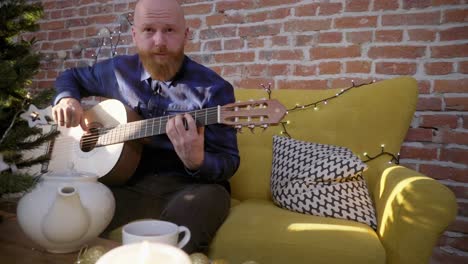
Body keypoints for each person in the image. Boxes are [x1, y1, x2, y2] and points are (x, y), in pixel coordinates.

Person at [52, 0, 239, 254]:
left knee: (203, 202)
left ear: (186, 34)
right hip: (125, 184)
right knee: (67, 217)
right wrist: (67, 98)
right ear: (135, 35)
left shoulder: (215, 89)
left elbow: (229, 161)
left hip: (187, 186)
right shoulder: (118, 70)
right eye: (149, 30)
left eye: (169, 30)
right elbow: (71, 77)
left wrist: (198, 161)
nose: (159, 41)